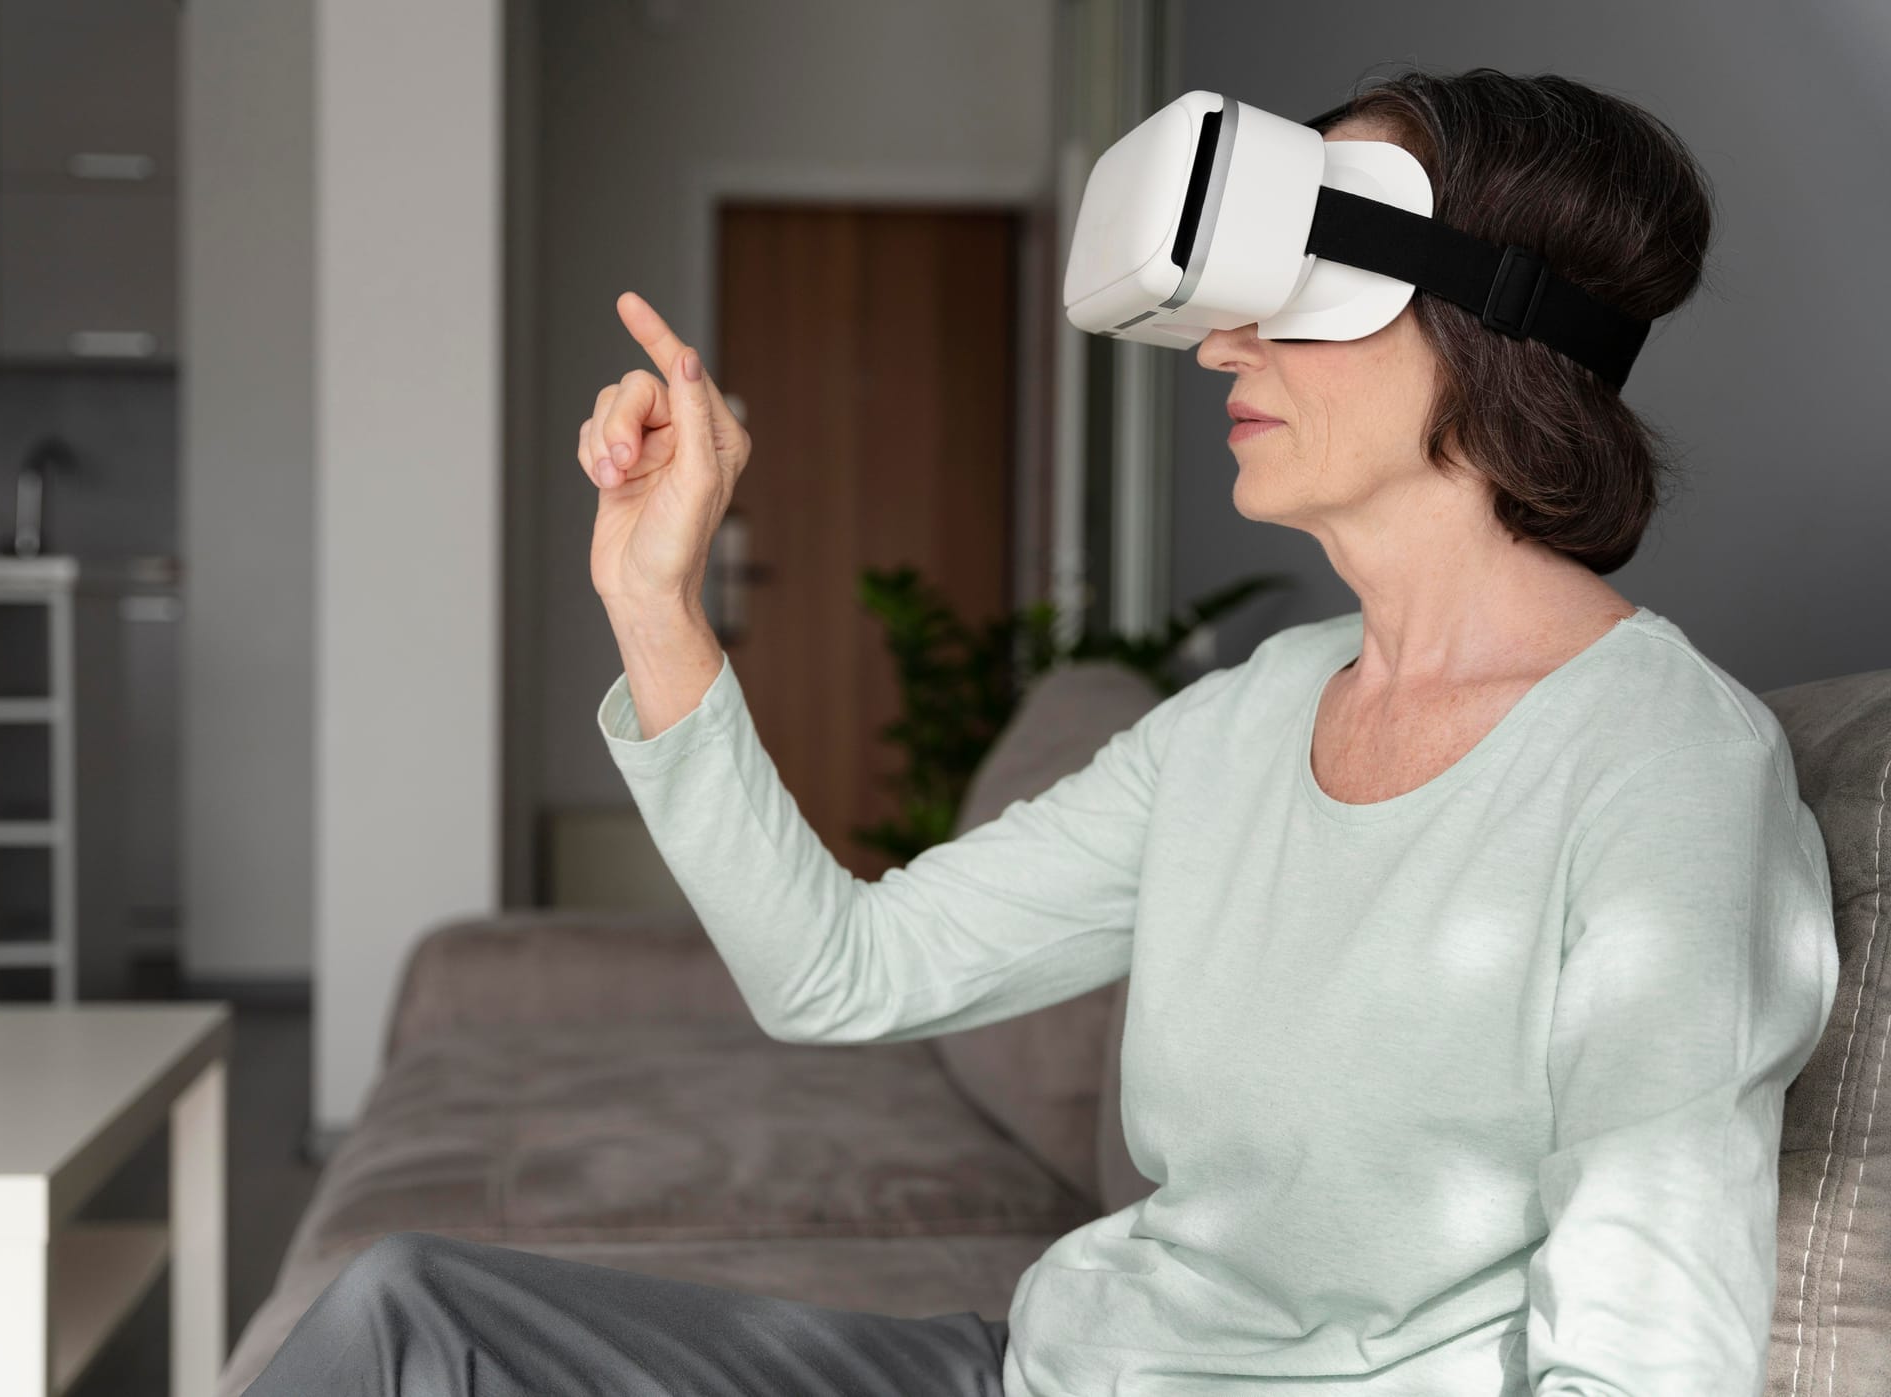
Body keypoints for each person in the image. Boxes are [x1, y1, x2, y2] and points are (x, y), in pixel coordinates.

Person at [243, 66, 1839, 1397]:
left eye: (1295, 292)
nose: (1224, 344)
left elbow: (1648, 1364)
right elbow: (842, 970)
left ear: (1495, 327)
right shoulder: (1243, 719)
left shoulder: (1665, 772)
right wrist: (655, 604)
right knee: (409, 1321)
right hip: (1025, 1368)